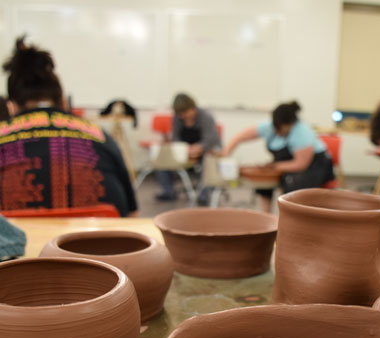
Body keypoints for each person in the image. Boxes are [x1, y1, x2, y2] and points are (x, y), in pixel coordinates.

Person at [0, 37, 137, 217]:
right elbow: (133, 215)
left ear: (11, 107)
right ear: (63, 103)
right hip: (95, 244)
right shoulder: (101, 136)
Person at [222, 101, 334, 212]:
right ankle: (264, 215)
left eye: (282, 128)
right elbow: (240, 138)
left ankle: (292, 217)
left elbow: (301, 164)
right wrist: (226, 153)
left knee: (292, 183)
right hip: (287, 163)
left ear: (291, 123)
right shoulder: (271, 127)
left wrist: (275, 166)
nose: (279, 130)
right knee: (264, 179)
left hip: (315, 164)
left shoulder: (302, 133)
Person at [156, 93, 221, 203]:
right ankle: (168, 192)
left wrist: (199, 147)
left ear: (192, 108)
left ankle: (204, 195)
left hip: (205, 149)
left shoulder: (205, 117)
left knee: (207, 162)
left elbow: (211, 139)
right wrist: (184, 149)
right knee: (163, 159)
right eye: (180, 114)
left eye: (185, 112)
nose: (183, 116)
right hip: (185, 150)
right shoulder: (177, 118)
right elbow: (175, 137)